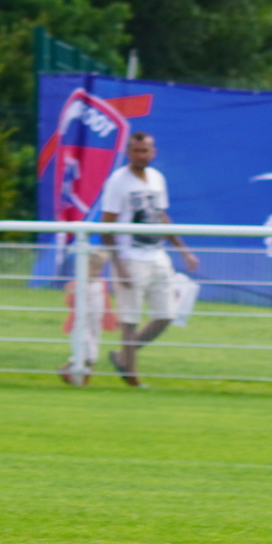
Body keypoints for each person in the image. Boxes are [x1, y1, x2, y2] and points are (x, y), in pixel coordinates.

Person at [99, 132, 200, 387]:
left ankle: (123, 356)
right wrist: (118, 264)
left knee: (166, 315)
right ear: (128, 152)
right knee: (130, 319)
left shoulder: (157, 178)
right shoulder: (118, 181)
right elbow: (106, 226)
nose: (140, 155)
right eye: (135, 150)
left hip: (157, 255)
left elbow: (161, 217)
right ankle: (132, 376)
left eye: (145, 150)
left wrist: (183, 250)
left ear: (153, 153)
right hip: (129, 256)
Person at [58, 250, 116, 388]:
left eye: (100, 268)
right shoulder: (78, 285)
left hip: (95, 324)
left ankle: (84, 382)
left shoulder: (101, 283)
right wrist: (71, 292)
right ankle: (66, 369)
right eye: (93, 268)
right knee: (88, 352)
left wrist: (111, 319)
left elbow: (105, 303)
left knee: (92, 354)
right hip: (81, 324)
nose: (97, 272)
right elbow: (70, 303)